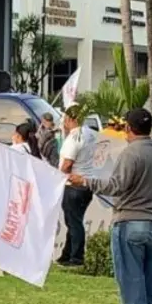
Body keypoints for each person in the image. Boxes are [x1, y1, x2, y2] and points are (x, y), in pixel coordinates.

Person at [68, 108, 152, 304]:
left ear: (127, 128)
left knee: (131, 274)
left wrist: (85, 181)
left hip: (131, 220)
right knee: (151, 276)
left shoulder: (131, 153)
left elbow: (117, 185)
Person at [58, 105, 97, 267]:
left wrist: (57, 175)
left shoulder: (74, 138)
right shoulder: (89, 134)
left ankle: (76, 257)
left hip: (73, 184)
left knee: (74, 222)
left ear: (70, 119)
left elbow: (67, 164)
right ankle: (67, 254)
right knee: (73, 220)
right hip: (86, 183)